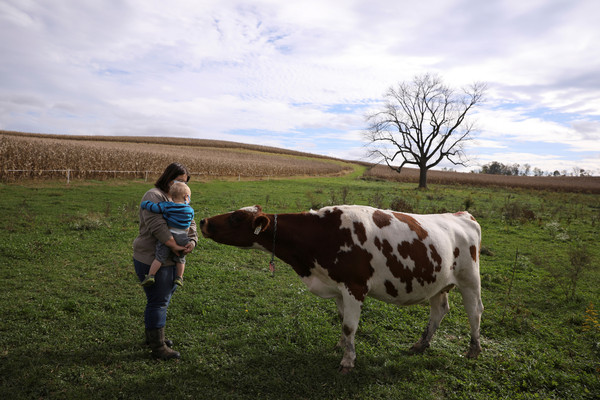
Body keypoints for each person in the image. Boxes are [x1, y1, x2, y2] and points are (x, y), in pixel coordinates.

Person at [133, 162, 198, 360]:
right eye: (178, 180)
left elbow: (191, 222)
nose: (180, 184)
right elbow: (157, 227)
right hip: (152, 257)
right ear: (167, 177)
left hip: (171, 259)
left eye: (184, 182)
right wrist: (177, 246)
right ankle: (158, 347)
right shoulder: (154, 196)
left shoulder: (180, 197)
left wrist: (193, 241)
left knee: (161, 299)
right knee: (159, 301)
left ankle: (152, 336)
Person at [139, 181, 194, 288]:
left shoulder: (167, 206)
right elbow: (190, 221)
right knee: (181, 259)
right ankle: (179, 277)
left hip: (170, 235)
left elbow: (154, 208)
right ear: (186, 197)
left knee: (159, 257)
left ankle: (151, 275)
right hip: (183, 236)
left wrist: (145, 204)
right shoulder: (190, 210)